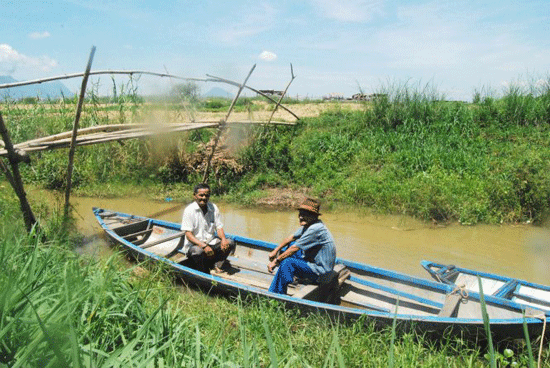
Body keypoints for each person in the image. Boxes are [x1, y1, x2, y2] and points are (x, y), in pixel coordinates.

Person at [267, 198, 336, 295]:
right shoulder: (310, 225)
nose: (300, 217)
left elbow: (294, 248)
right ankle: (289, 276)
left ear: (313, 216)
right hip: (314, 263)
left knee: (288, 262)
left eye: (304, 215)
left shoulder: (315, 229)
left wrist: (276, 261)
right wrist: (275, 250)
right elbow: (291, 238)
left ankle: (276, 294)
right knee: (288, 247)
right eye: (300, 214)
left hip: (321, 272)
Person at [181, 183, 235, 272]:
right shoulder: (189, 211)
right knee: (197, 252)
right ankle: (202, 270)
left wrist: (224, 239)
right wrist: (203, 245)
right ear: (195, 196)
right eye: (201, 195)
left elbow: (219, 227)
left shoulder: (213, 207)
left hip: (211, 242)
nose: (204, 198)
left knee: (230, 243)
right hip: (195, 245)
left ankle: (217, 265)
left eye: (206, 195)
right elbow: (188, 234)